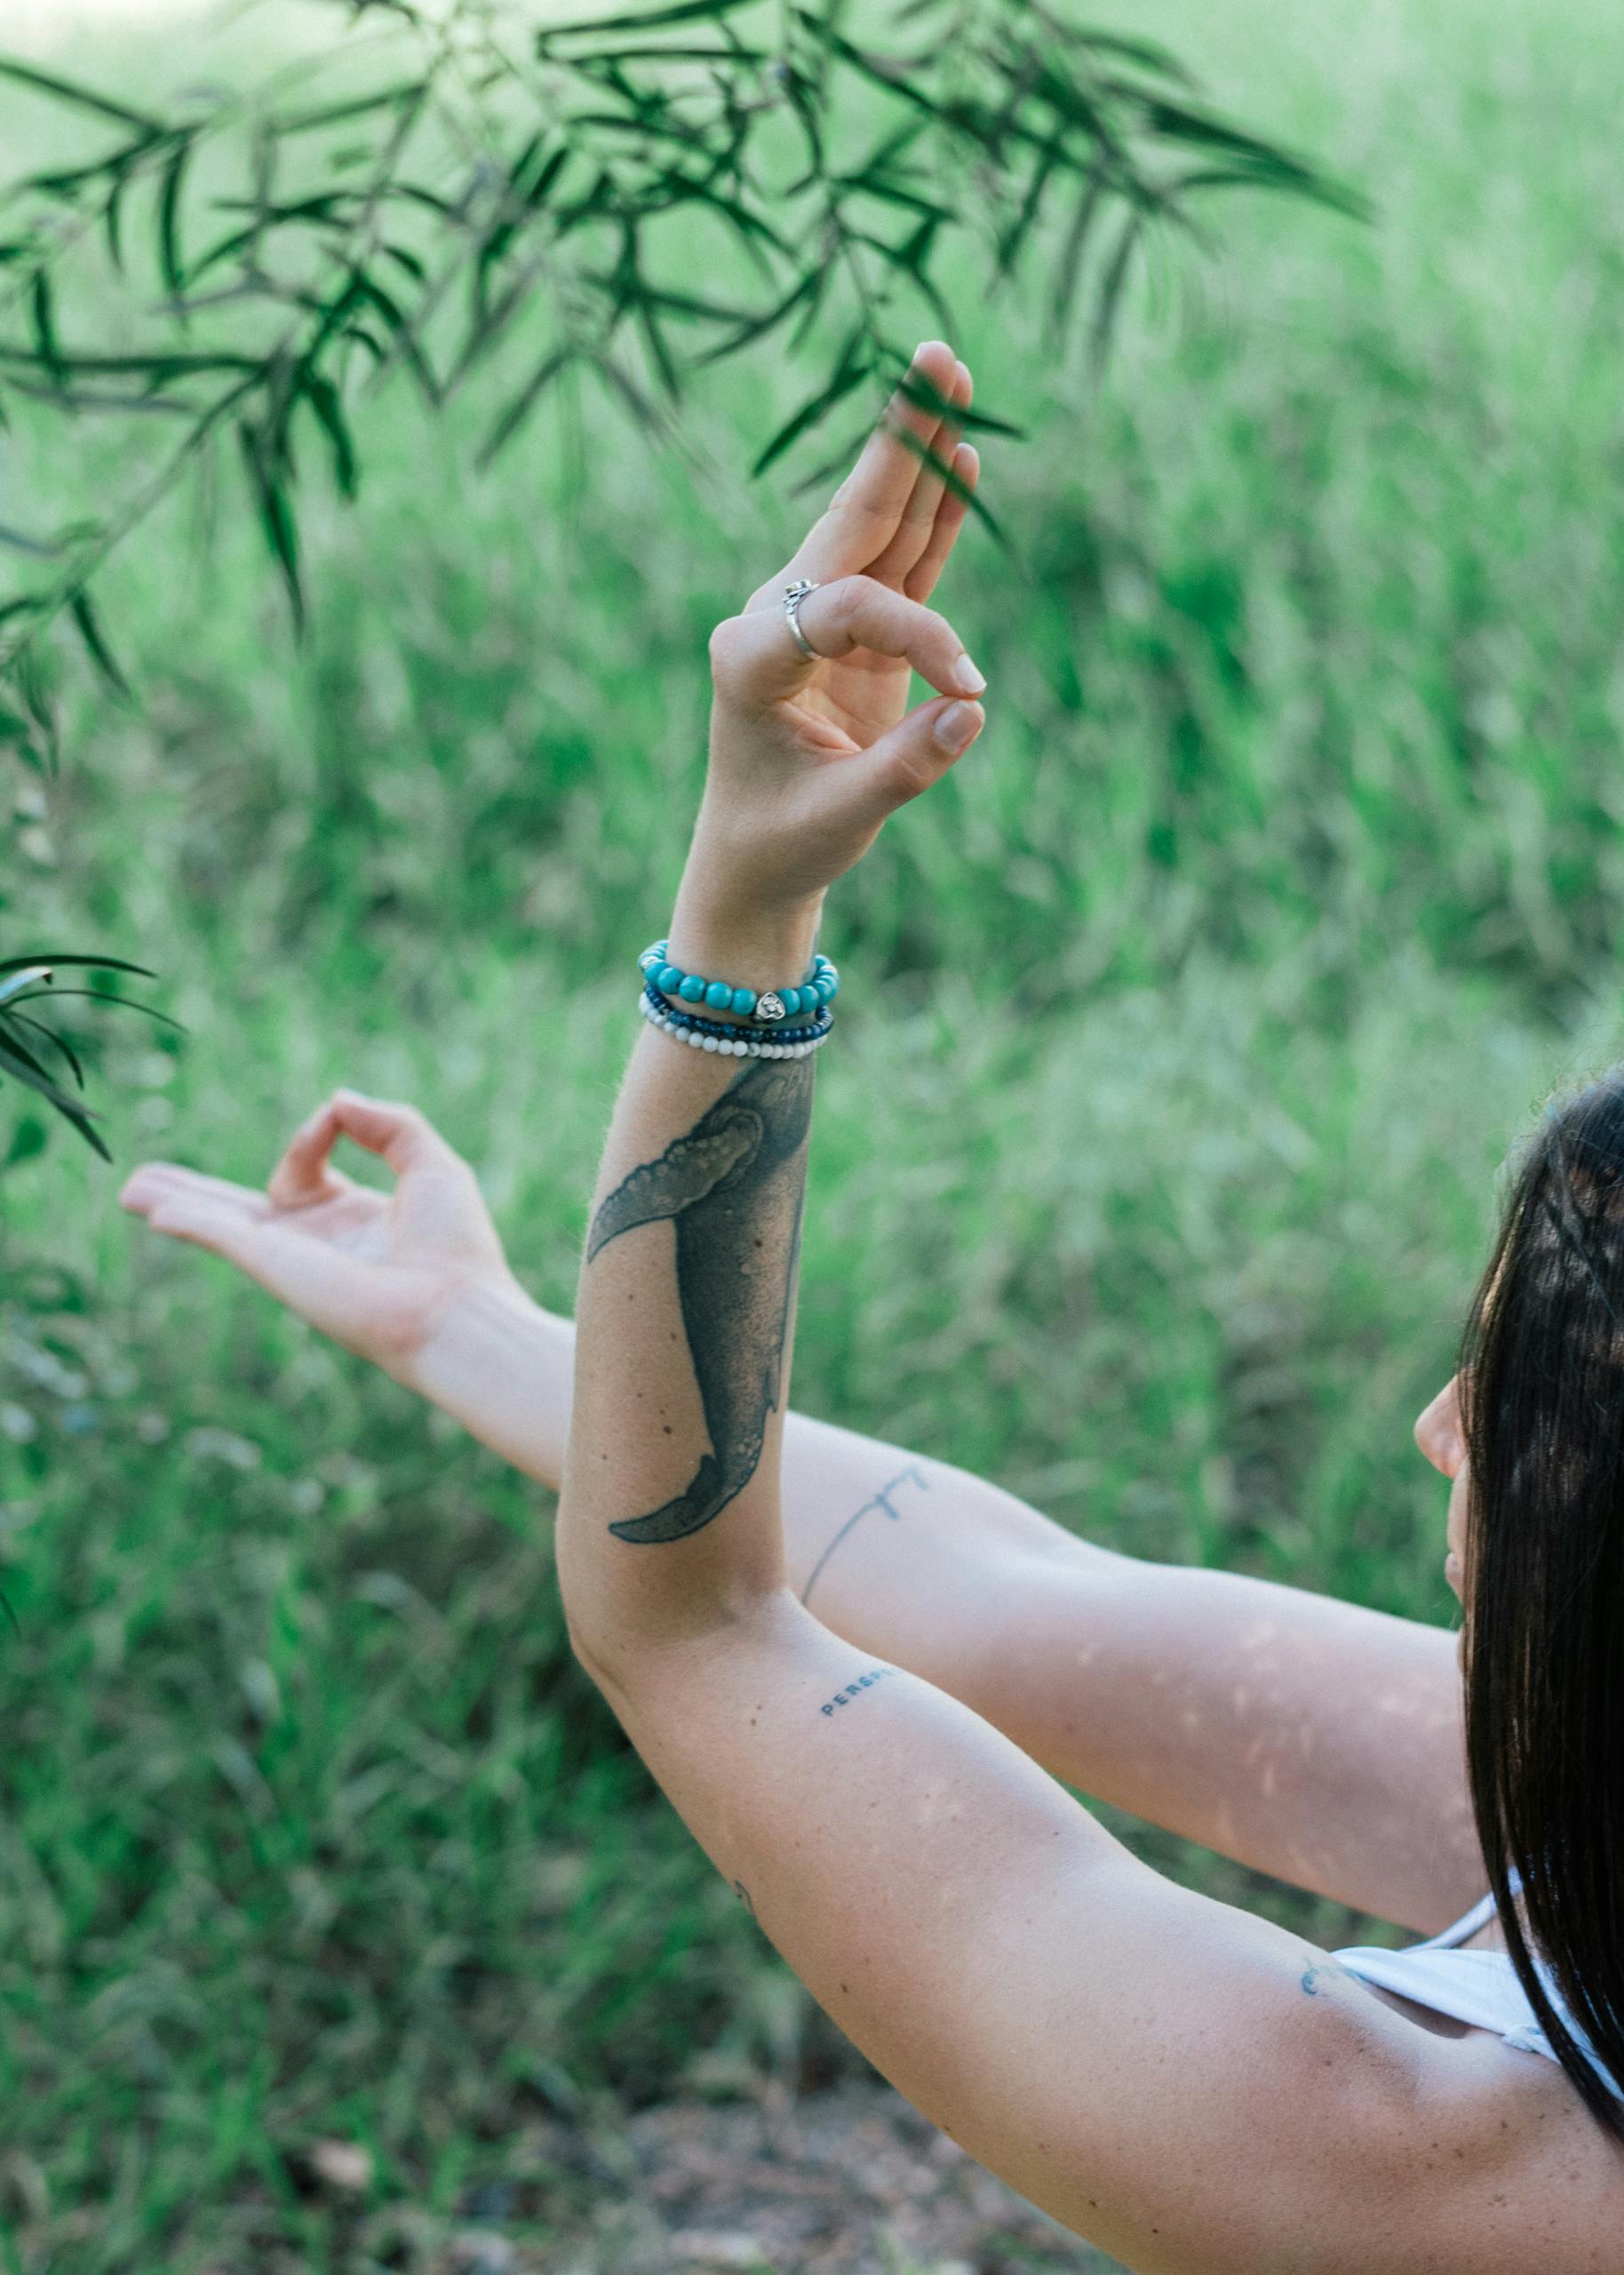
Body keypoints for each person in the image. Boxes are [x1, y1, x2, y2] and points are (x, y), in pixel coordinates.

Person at [122, 342, 1624, 2271]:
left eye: (1501, 1398)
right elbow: (1001, 1595)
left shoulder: (1422, 2160)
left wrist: (740, 922)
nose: (1433, 1425)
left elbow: (695, 1626)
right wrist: (476, 1334)